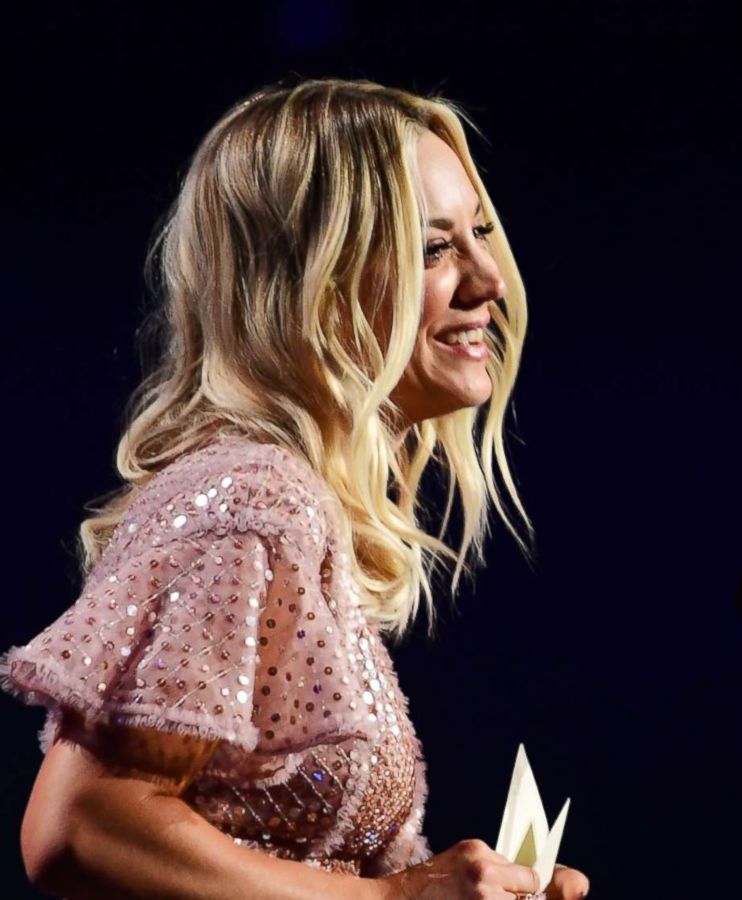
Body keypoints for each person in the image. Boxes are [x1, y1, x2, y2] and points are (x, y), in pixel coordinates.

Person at [0, 78, 590, 899]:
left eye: (482, 234)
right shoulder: (253, 500)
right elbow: (82, 826)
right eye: (434, 248)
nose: (491, 281)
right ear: (313, 277)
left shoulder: (293, 506)